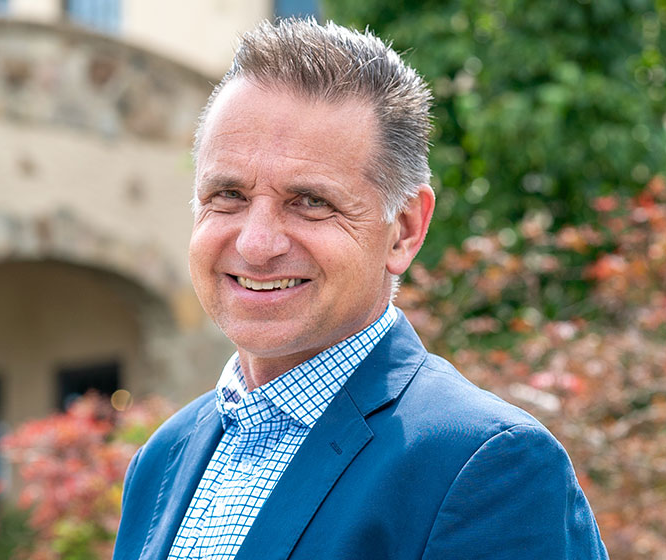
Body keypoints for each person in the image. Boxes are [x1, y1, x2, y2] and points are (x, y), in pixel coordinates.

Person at [114, 18, 608, 560]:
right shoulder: (161, 460)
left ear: (404, 230)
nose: (256, 244)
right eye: (228, 195)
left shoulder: (489, 466)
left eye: (311, 202)